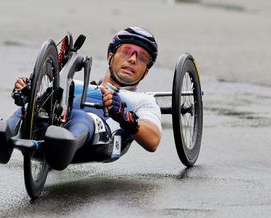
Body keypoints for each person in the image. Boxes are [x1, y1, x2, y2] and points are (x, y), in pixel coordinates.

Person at [9, 26, 162, 168]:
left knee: (85, 118)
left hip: (98, 139)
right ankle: (4, 132)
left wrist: (124, 116)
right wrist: (27, 91)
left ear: (146, 71)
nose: (133, 60)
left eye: (142, 58)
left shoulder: (143, 100)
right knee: (31, 107)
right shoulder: (73, 83)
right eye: (126, 52)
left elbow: (153, 141)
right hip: (50, 123)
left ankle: (63, 146)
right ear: (110, 56)